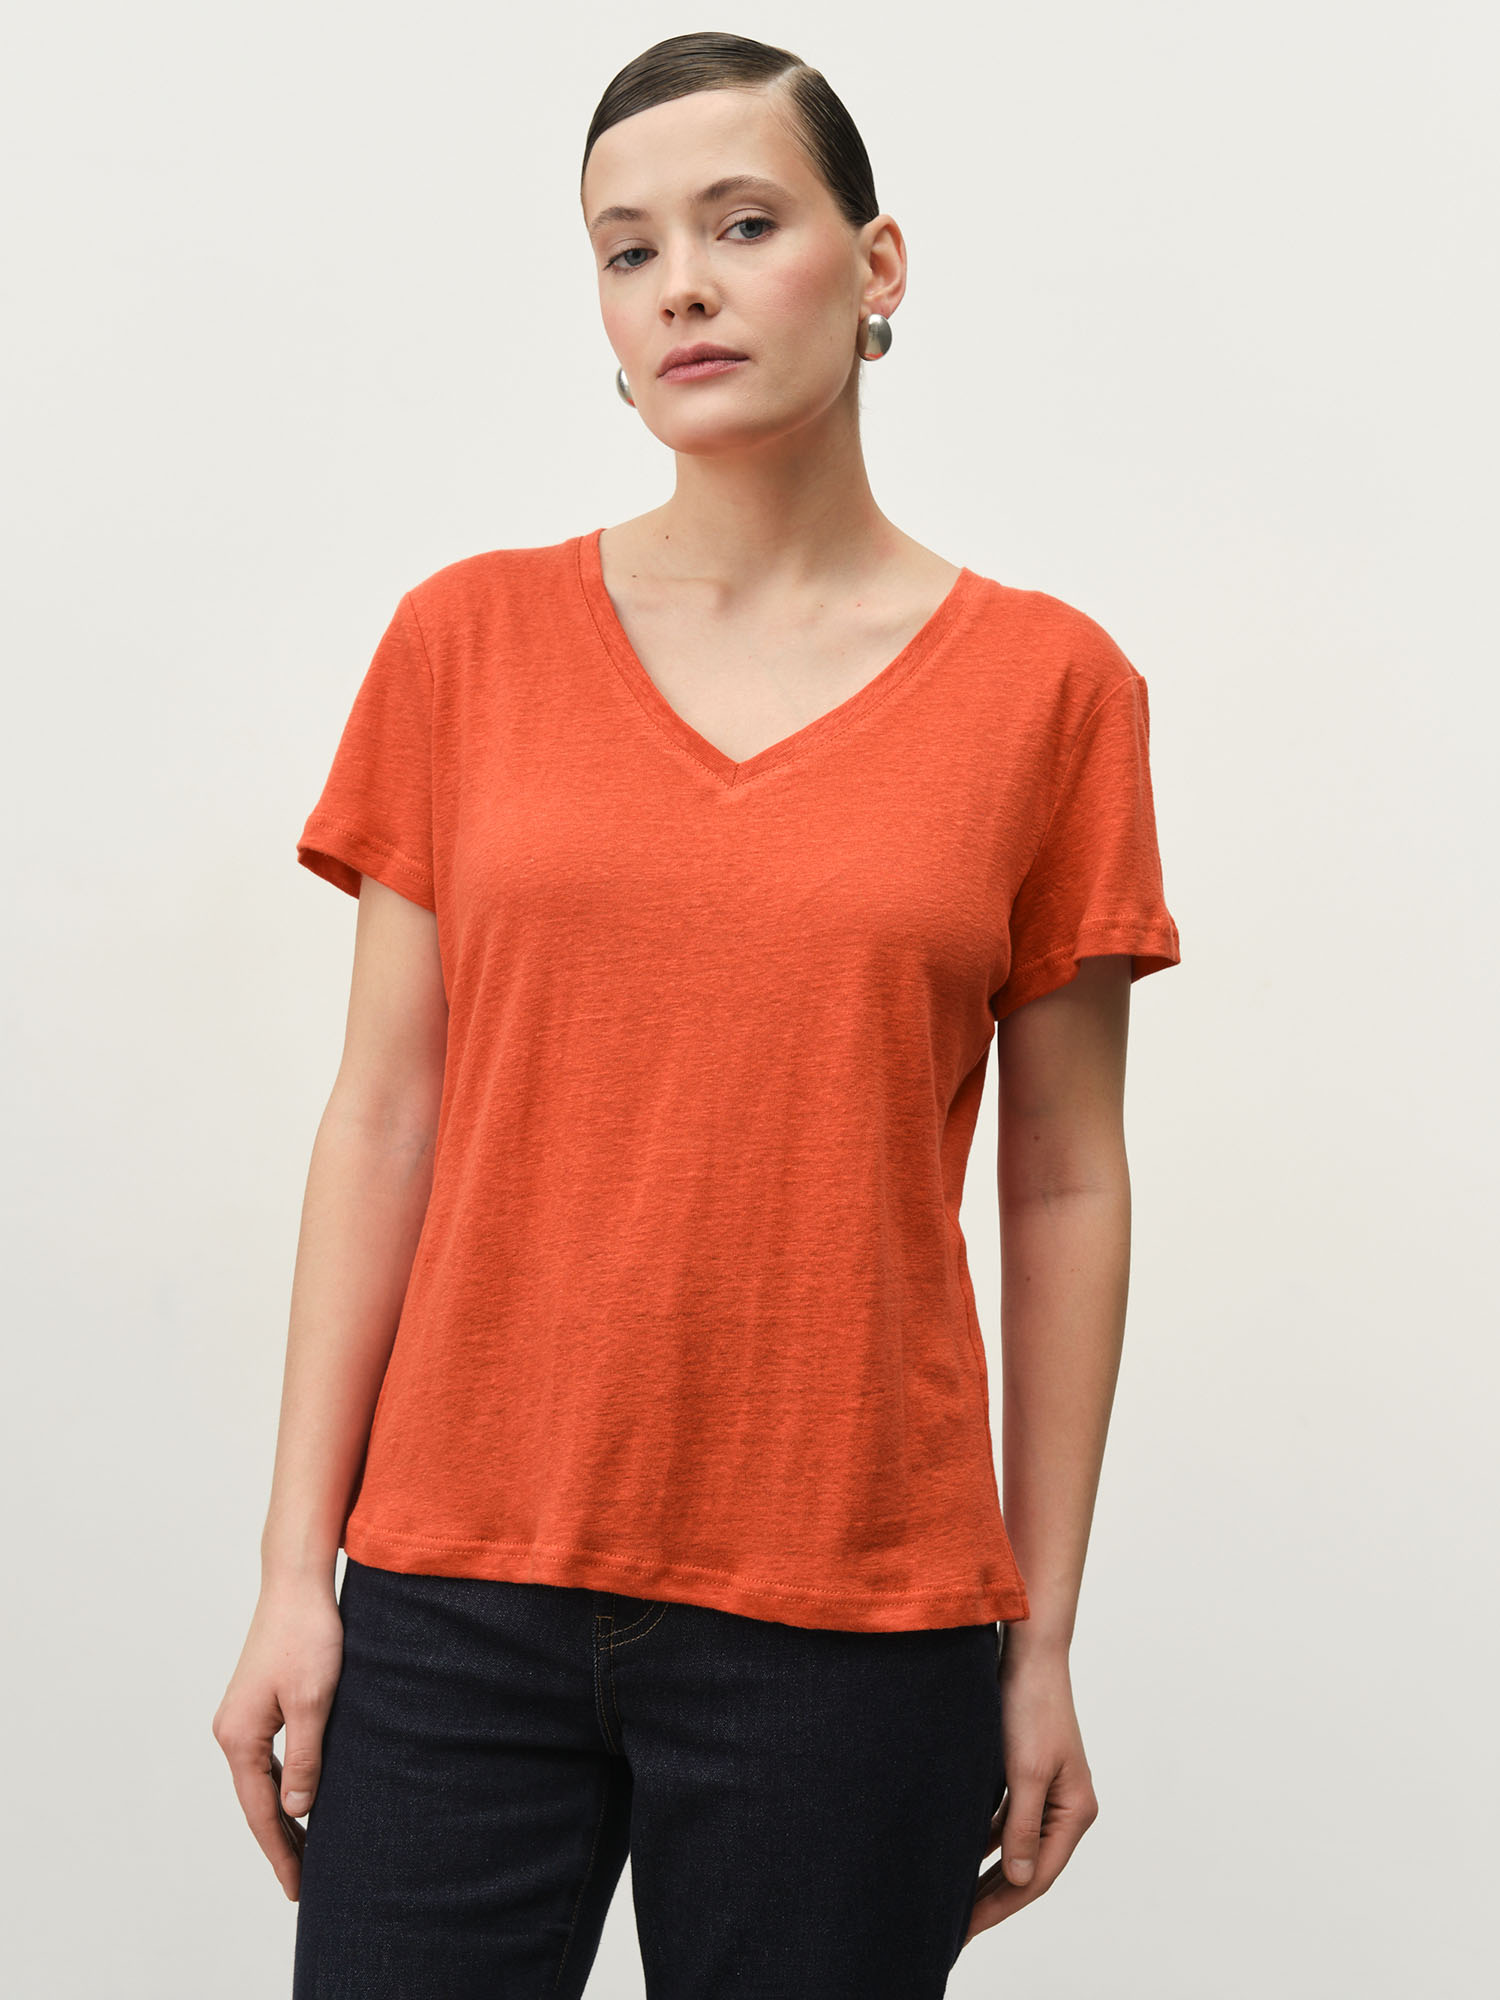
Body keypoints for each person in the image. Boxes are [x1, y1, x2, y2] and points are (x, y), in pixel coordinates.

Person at [212, 29, 1182, 2000]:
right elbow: (383, 1113)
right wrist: (293, 1572)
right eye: (628, 248)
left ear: (877, 263)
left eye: (744, 225)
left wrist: (1045, 1633)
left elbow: (1067, 1180)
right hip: (455, 1586)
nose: (682, 287)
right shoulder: (465, 644)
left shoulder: (1051, 692)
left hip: (856, 1610)